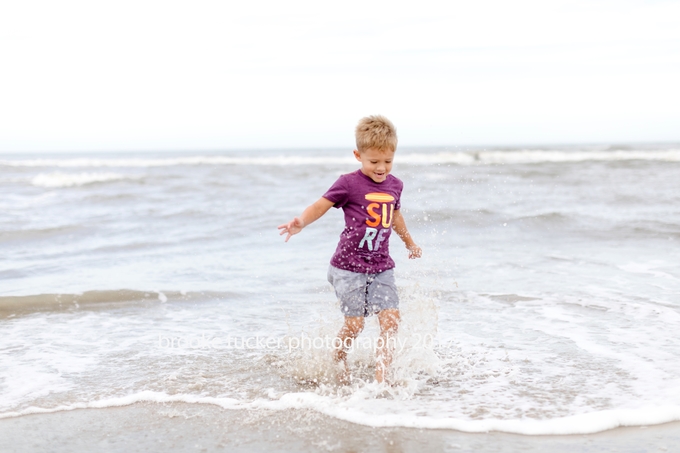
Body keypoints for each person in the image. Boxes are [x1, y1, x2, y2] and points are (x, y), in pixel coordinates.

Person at [278, 115, 422, 384]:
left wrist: (409, 243)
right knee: (355, 325)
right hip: (348, 267)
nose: (382, 168)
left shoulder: (395, 185)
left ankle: (382, 381)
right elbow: (320, 205)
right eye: (374, 162)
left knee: (391, 321)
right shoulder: (348, 183)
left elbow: (395, 216)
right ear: (358, 155)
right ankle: (338, 358)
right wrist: (301, 222)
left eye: (388, 161)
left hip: (381, 266)